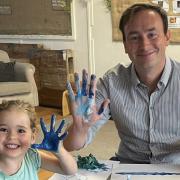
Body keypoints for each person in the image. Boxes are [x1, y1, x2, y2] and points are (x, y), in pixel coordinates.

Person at [64, 3, 180, 164]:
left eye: (152, 35)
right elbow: (70, 145)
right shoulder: (111, 82)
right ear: (125, 45)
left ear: (167, 37)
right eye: (134, 37)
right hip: (127, 167)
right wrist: (79, 128)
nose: (144, 45)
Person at [0, 100, 77, 179]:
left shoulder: (31, 156)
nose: (12, 137)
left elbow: (70, 170)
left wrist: (60, 151)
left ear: (32, 137)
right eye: (3, 129)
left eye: (21, 131)